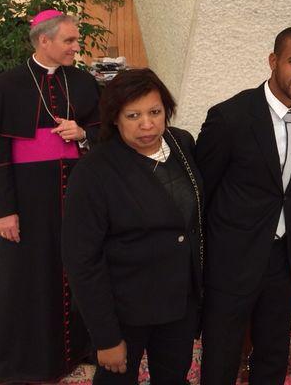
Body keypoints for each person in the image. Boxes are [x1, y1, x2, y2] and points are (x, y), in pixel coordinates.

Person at [0, 10, 100, 383]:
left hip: (78, 196)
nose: (77, 47)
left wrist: (83, 133)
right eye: (70, 41)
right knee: (27, 277)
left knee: (79, 269)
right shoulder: (6, 85)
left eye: (76, 40)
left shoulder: (83, 82)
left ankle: (80, 348)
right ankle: (24, 359)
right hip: (27, 200)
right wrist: (4, 211)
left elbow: (105, 129)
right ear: (45, 41)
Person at [196, 26, 291, 384]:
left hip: (283, 257)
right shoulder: (230, 117)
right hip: (232, 257)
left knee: (273, 352)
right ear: (273, 61)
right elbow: (203, 191)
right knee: (221, 355)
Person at [62, 69, 203, 384]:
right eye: (133, 115)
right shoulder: (94, 171)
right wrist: (105, 336)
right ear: (114, 118)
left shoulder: (181, 144)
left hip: (179, 302)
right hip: (124, 310)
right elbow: (81, 259)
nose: (147, 124)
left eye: (155, 112)